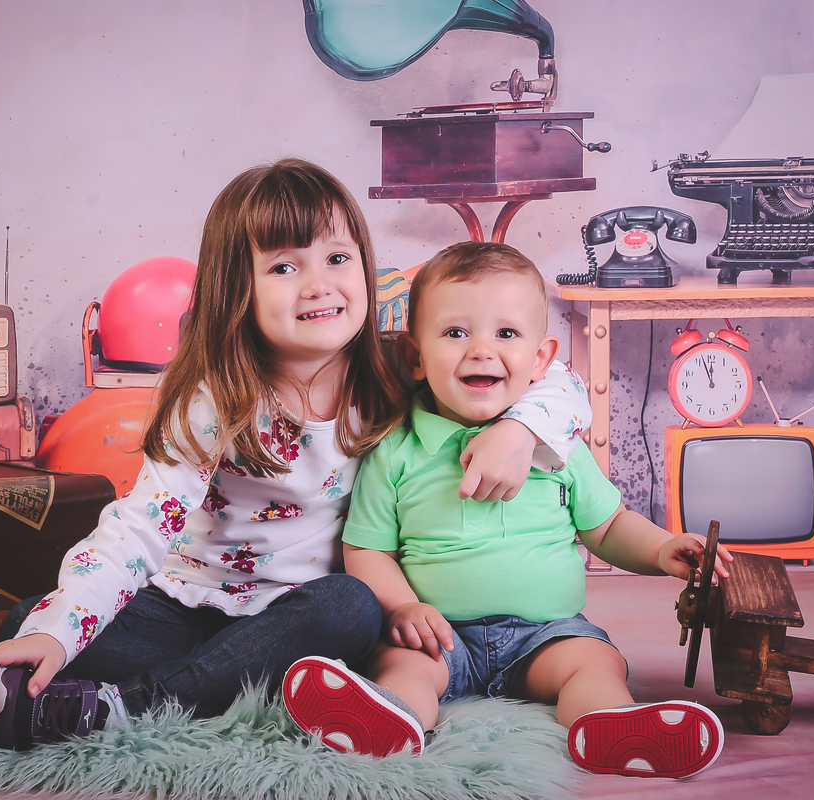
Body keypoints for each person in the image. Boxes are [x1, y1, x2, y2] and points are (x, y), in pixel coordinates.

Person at [0, 160, 593, 751]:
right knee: (29, 624)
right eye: (283, 268)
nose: (319, 284)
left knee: (352, 606)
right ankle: (215, 678)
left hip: (307, 616)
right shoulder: (215, 397)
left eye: (337, 258)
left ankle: (129, 707)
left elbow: (556, 380)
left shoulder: (387, 368)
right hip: (192, 602)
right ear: (235, 288)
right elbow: (139, 526)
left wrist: (519, 432)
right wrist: (54, 632)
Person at [282, 241, 733, 779]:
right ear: (415, 357)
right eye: (455, 333)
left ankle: (612, 725)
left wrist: (661, 548)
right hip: (439, 635)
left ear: (541, 359)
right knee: (403, 667)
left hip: (545, 633)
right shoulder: (397, 450)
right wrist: (403, 607)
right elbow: (366, 548)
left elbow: (607, 525)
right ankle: (392, 720)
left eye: (506, 334)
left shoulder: (557, 446)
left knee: (593, 663)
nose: (481, 351)